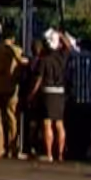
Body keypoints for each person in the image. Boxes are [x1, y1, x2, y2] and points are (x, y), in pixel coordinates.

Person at [29, 29, 69, 162]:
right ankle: (61, 153)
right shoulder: (62, 58)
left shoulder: (44, 60)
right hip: (60, 92)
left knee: (47, 123)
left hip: (48, 91)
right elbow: (69, 47)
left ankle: (49, 153)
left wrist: (32, 93)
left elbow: (39, 79)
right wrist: (61, 35)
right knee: (59, 124)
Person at [0, 32, 28, 159]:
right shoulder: (17, 50)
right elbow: (22, 64)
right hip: (11, 85)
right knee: (12, 116)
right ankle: (13, 148)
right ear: (12, 38)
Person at [65, 37, 91, 161]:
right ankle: (84, 152)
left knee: (75, 127)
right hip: (89, 100)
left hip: (75, 99)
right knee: (87, 128)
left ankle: (74, 152)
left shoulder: (73, 59)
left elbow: (67, 77)